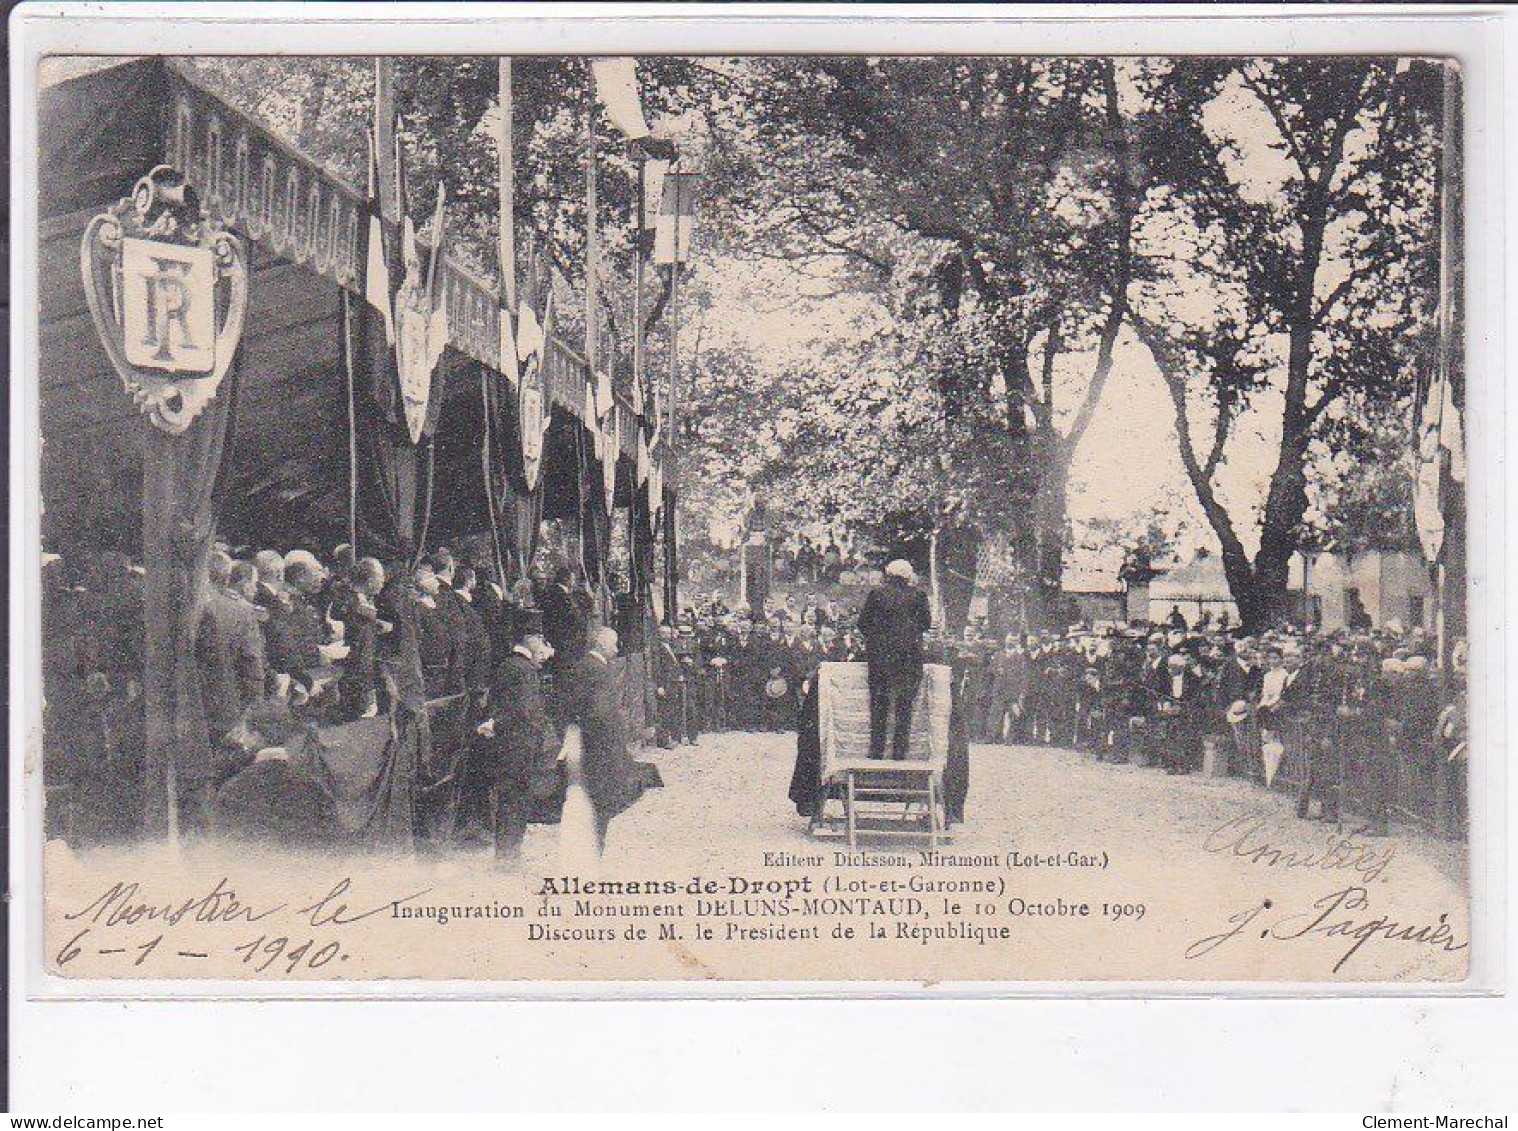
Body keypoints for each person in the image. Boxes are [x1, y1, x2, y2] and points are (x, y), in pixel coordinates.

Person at [561, 626, 661, 852]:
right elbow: (598, 712)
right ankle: (593, 846)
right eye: (613, 645)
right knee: (600, 796)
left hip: (597, 742)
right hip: (598, 745)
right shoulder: (594, 669)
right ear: (600, 643)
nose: (616, 650)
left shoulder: (593, 666)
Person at [475, 610, 560, 863]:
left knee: (510, 801)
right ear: (528, 639)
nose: (541, 643)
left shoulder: (510, 665)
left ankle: (508, 854)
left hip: (509, 744)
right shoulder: (523, 670)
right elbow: (526, 710)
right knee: (516, 801)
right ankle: (508, 857)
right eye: (538, 637)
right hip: (520, 745)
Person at [857, 559, 932, 760]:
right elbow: (926, 624)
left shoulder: (876, 594)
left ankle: (876, 752)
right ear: (908, 576)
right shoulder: (918, 596)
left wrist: (877, 640)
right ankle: (899, 753)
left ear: (888, 574)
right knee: (904, 707)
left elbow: (862, 623)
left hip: (880, 659)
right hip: (909, 659)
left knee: (879, 705)